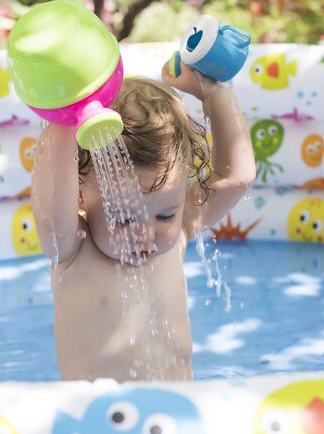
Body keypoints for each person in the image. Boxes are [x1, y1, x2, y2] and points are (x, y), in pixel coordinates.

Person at [31, 59, 256, 382]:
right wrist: (62, 120)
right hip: (100, 419)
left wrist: (214, 93)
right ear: (79, 195)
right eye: (121, 218)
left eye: (165, 214)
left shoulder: (179, 230)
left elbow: (237, 178)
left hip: (177, 410)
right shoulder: (72, 248)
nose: (144, 233)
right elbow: (52, 215)